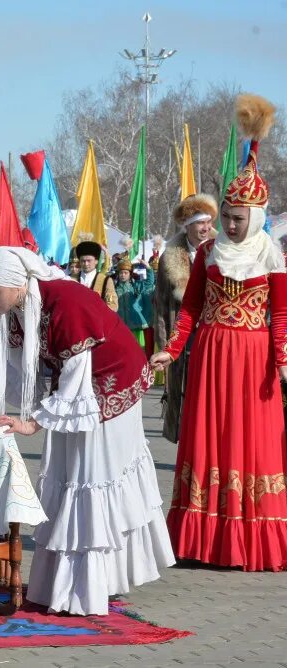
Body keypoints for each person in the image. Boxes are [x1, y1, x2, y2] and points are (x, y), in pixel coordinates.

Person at [0, 245, 174, 615]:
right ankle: (82, 582)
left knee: (92, 477)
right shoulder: (17, 308)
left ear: (16, 283)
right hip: (78, 391)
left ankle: (95, 584)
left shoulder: (67, 300)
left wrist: (34, 421)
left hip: (111, 383)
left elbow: (75, 372)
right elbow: (17, 361)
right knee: (69, 476)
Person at [150, 94, 287, 571]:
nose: (230, 224)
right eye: (226, 215)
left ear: (257, 216)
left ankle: (252, 541)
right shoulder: (208, 252)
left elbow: (282, 315)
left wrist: (282, 356)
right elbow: (189, 310)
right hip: (210, 354)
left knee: (251, 442)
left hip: (253, 358)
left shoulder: (271, 256)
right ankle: (200, 540)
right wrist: (172, 349)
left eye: (238, 218)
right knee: (208, 437)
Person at [152, 194, 217, 443]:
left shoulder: (220, 252)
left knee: (211, 397)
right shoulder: (170, 258)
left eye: (209, 222)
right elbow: (160, 305)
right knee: (184, 397)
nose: (205, 228)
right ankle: (190, 448)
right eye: (200, 222)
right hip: (182, 337)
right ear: (187, 225)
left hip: (213, 334)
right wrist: (163, 345)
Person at [115, 257, 156, 357]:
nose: (123, 275)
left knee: (139, 351)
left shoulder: (136, 286)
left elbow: (149, 282)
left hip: (136, 326)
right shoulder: (114, 288)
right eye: (121, 273)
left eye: (125, 273)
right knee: (123, 352)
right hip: (121, 326)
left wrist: (148, 268)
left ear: (130, 274)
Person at [72, 238, 119, 311]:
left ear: (96, 261)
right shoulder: (71, 279)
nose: (86, 264)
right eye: (83, 261)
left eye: (89, 260)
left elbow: (112, 305)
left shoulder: (105, 280)